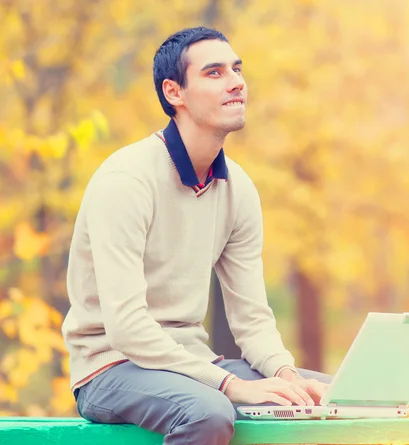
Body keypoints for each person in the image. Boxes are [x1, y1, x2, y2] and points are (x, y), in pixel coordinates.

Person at [61, 26, 331, 445]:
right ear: (175, 92)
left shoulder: (237, 189)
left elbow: (252, 319)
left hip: (192, 364)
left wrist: (285, 375)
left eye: (237, 69)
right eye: (214, 72)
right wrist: (230, 384)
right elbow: (127, 328)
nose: (236, 81)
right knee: (208, 413)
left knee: (333, 397)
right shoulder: (126, 181)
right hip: (110, 368)